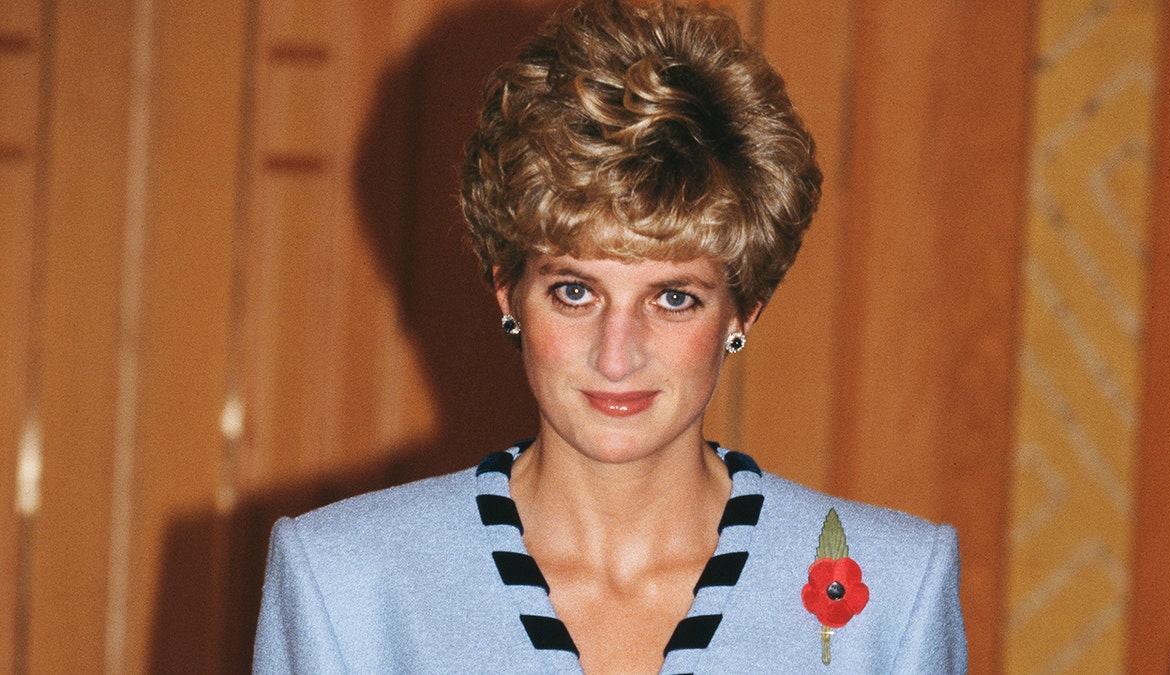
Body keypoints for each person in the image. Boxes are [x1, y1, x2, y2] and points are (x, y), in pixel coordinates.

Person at [253, 0, 967, 672]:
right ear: (508, 289)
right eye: (575, 291)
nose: (615, 353)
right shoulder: (343, 583)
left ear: (744, 310)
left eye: (673, 297)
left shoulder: (890, 595)